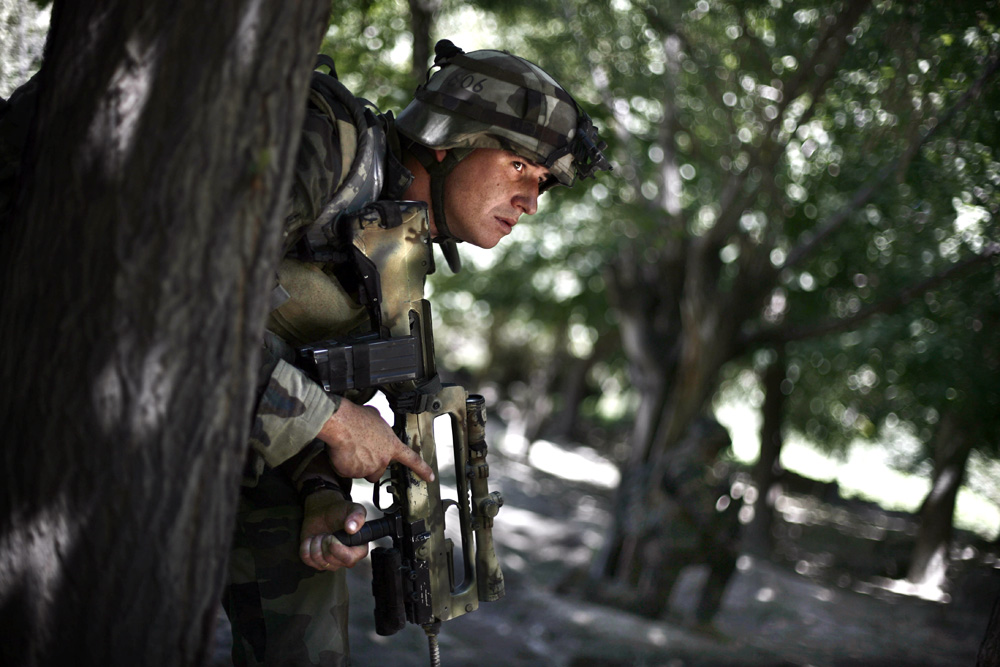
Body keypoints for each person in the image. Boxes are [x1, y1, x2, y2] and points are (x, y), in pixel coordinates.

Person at [224, 40, 611, 666]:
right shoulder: (323, 143)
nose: (531, 202)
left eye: (541, 184)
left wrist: (322, 490)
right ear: (449, 139)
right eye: (518, 166)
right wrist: (331, 421)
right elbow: (187, 308)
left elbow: (310, 370)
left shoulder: (398, 245)